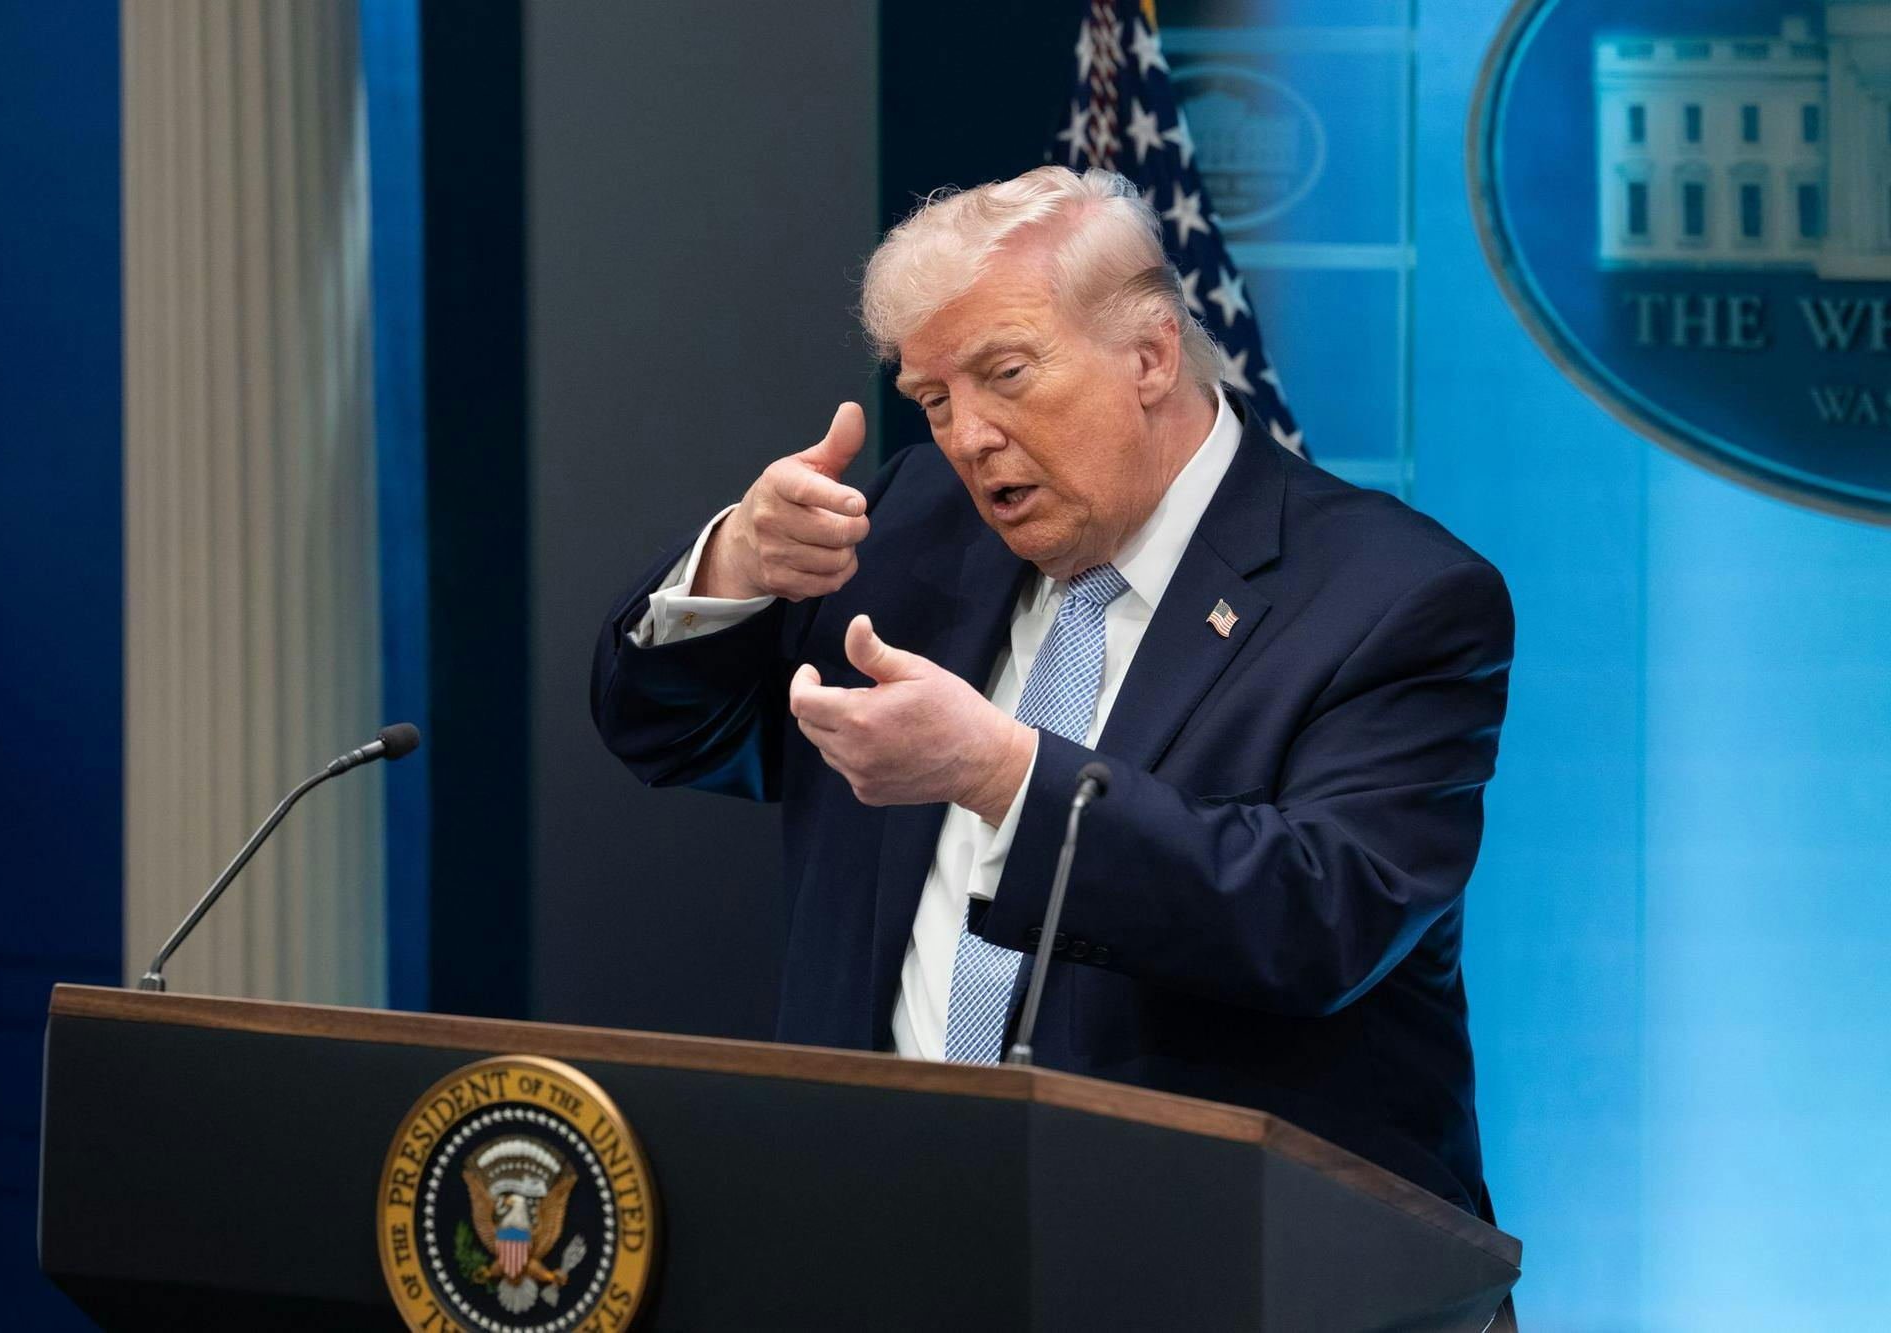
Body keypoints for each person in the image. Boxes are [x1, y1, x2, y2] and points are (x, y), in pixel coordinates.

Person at [592, 166, 1514, 1221]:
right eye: (934, 399)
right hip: (887, 1241)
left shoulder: (1390, 597)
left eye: (1006, 374)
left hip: (1229, 1255)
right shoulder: (908, 527)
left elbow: (1316, 921)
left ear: (1150, 353)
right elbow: (660, 729)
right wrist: (736, 566)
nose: (967, 437)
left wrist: (1001, 777)